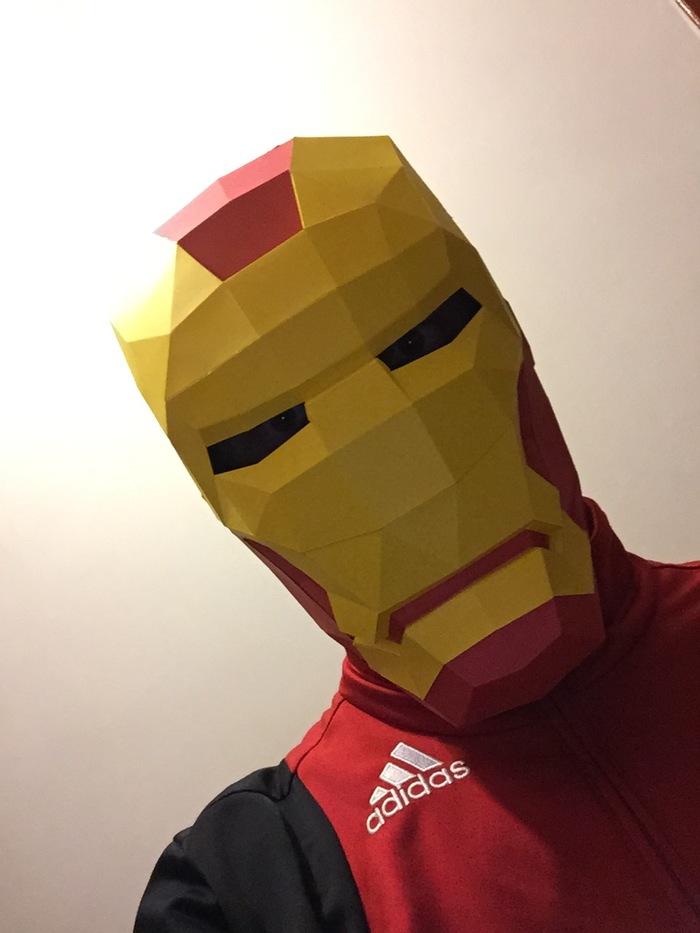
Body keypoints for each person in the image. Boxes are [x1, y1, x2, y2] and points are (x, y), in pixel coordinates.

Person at [114, 136, 700, 932]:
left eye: (419, 342)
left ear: (511, 331)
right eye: (274, 431)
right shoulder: (251, 883)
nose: (401, 466)